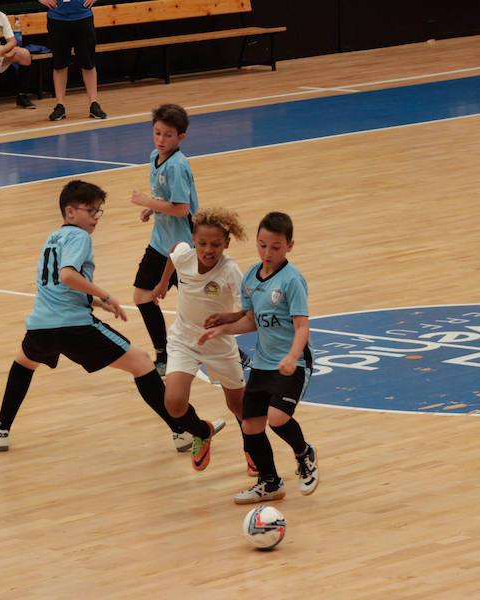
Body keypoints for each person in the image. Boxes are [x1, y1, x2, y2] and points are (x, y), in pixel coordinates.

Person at [0, 180, 191, 453]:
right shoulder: (80, 238)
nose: (95, 217)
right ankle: (182, 431)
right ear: (70, 213)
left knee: (24, 364)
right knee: (141, 362)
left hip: (41, 325)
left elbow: (55, 284)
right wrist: (104, 296)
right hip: (73, 326)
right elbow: (67, 275)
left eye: (98, 212)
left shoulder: (52, 238)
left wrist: (92, 300)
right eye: (90, 211)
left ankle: (0, 431)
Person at [199, 211, 319, 504]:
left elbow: (302, 326)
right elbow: (251, 319)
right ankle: (270, 482)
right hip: (264, 363)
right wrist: (224, 328)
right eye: (262, 245)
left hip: (292, 364)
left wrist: (292, 358)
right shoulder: (252, 276)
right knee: (250, 426)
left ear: (289, 246)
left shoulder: (292, 280)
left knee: (277, 419)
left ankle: (304, 453)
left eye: (275, 247)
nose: (267, 252)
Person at [154, 207, 254, 472]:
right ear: (194, 240)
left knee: (238, 405)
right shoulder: (185, 256)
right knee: (173, 404)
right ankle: (202, 431)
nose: (208, 250)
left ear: (226, 244)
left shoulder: (230, 271)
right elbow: (174, 250)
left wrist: (227, 317)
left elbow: (249, 311)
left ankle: (252, 449)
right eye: (202, 243)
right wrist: (163, 282)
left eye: (216, 244)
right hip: (184, 341)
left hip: (219, 345)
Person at [130, 103, 199, 377]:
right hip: (160, 243)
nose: (160, 140)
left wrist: (148, 201)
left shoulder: (178, 166)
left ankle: (224, 349)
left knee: (196, 309)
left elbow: (182, 208)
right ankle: (164, 353)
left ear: (181, 137)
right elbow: (165, 197)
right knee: (142, 297)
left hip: (184, 247)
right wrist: (153, 207)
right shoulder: (154, 157)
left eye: (168, 135)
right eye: (157, 133)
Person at [37, 0, 106, 121]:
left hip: (83, 17)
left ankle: (94, 103)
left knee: (88, 63)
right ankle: (60, 105)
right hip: (57, 19)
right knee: (59, 64)